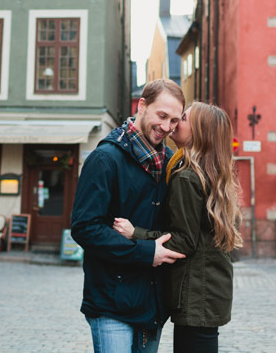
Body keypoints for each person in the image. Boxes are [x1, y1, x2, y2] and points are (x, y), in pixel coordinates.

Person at [114, 101, 243, 353]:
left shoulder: (187, 176)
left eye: (182, 118)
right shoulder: (210, 173)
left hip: (196, 295)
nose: (174, 123)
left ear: (198, 131)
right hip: (208, 291)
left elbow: (183, 240)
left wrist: (135, 233)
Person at [71, 79, 188, 353]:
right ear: (142, 105)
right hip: (111, 301)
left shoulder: (170, 161)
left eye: (174, 120)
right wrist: (145, 252)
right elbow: (85, 228)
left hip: (152, 304)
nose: (167, 127)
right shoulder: (105, 159)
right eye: (162, 116)